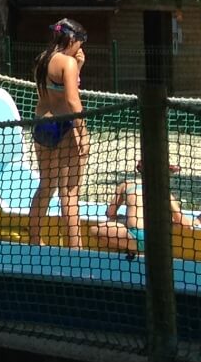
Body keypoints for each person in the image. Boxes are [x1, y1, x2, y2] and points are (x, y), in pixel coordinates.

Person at [29, 17, 90, 247]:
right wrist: (83, 134)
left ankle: (35, 241)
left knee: (46, 186)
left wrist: (79, 66)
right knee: (70, 193)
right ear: (72, 39)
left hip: (42, 124)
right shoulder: (68, 62)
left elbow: (54, 90)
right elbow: (73, 102)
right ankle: (75, 251)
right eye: (80, 42)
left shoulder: (42, 60)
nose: (81, 48)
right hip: (65, 125)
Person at [90, 160, 186, 258]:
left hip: (137, 235)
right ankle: (136, 251)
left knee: (94, 230)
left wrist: (121, 218)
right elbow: (183, 223)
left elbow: (111, 213)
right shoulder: (163, 190)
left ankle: (130, 250)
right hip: (158, 239)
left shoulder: (126, 185)